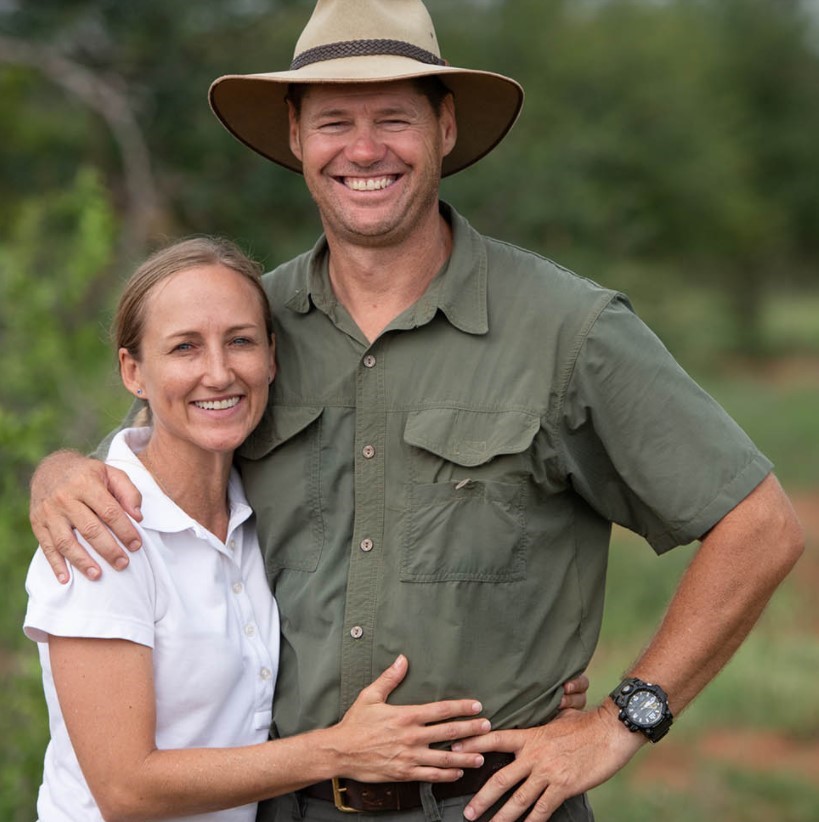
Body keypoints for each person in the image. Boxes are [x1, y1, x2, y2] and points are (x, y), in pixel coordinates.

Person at [29, 2, 804, 822]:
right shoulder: (254, 327)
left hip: (489, 807)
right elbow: (172, 450)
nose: (363, 150)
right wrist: (64, 471)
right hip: (279, 804)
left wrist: (619, 723)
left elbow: (759, 526)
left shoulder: (564, 330)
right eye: (334, 122)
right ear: (295, 138)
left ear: (444, 128)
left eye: (393, 118)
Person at [24, 236, 495, 822]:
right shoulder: (100, 531)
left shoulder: (253, 514)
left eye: (240, 341)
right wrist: (339, 750)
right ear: (133, 371)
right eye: (185, 348)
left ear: (272, 356)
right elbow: (126, 789)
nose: (218, 373)